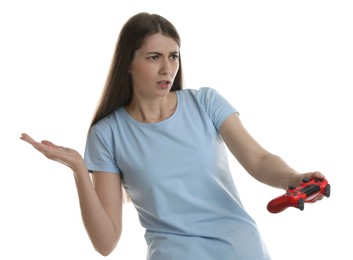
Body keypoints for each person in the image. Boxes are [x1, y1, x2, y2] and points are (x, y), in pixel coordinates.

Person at [20, 12, 325, 260]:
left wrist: (294, 177)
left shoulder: (205, 102)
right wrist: (78, 170)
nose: (167, 68)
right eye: (154, 57)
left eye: (173, 56)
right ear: (128, 62)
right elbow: (106, 242)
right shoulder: (107, 134)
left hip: (242, 252)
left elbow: (259, 160)